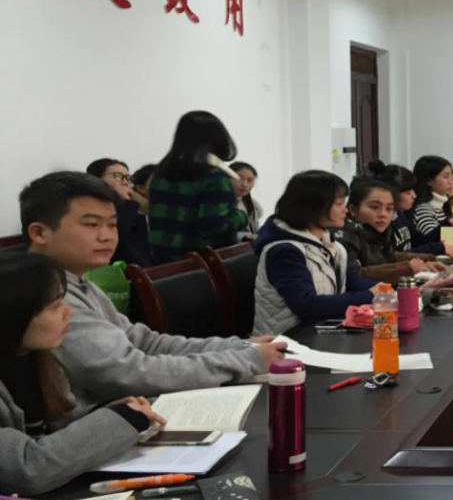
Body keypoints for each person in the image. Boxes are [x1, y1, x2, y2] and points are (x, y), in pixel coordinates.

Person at [19, 172, 280, 408]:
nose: (107, 236)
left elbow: (145, 342)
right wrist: (246, 360)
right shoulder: (48, 295)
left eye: (112, 224)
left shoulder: (77, 281)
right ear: (39, 233)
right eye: (91, 224)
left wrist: (240, 347)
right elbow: (127, 374)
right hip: (100, 427)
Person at [0, 254, 168, 495]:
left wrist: (106, 412)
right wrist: (122, 420)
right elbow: (28, 469)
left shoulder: (39, 357)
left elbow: (57, 427)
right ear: (13, 314)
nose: (67, 312)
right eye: (54, 305)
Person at [253, 170, 377, 337]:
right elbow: (307, 305)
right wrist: (371, 295)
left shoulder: (326, 243)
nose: (346, 210)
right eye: (339, 203)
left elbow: (347, 279)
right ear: (313, 206)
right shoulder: (284, 252)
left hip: (319, 331)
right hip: (287, 341)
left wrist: (387, 291)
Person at [148, 111, 246, 263]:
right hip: (203, 265)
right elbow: (212, 226)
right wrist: (241, 215)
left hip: (162, 263)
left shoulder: (160, 174)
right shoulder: (215, 178)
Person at [334, 178, 450, 284]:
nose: (383, 214)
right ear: (353, 209)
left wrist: (427, 260)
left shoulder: (375, 228)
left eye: (389, 208)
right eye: (374, 207)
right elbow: (355, 276)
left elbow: (389, 256)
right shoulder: (344, 236)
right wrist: (407, 268)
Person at [85, 158, 152, 267]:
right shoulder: (88, 210)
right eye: (119, 176)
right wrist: (128, 202)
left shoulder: (134, 209)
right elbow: (114, 241)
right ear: (97, 181)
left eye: (128, 178)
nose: (125, 182)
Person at [409, 155, 453, 252]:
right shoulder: (424, 209)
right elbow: (435, 242)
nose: (451, 182)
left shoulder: (441, 206)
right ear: (429, 180)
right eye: (446, 177)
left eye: (452, 176)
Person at [230, 161, 262, 242]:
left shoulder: (253, 204)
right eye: (239, 178)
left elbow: (255, 230)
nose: (244, 184)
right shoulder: (219, 204)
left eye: (250, 180)